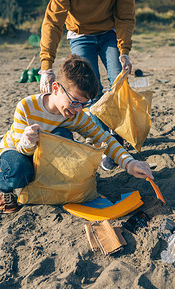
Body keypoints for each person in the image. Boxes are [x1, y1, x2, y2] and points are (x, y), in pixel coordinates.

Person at [0, 55, 153, 214]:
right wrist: (28, 141)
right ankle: (1, 187)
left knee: (63, 135)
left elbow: (103, 138)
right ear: (55, 88)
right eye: (75, 101)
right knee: (21, 171)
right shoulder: (26, 107)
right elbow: (22, 150)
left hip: (45, 155)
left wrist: (129, 163)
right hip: (17, 150)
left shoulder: (76, 115)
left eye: (84, 104)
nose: (78, 109)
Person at [39, 0, 136, 170]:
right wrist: (46, 66)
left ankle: (117, 133)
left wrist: (124, 51)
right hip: (80, 35)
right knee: (91, 92)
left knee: (119, 84)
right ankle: (105, 144)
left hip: (110, 32)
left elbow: (125, 16)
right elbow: (52, 23)